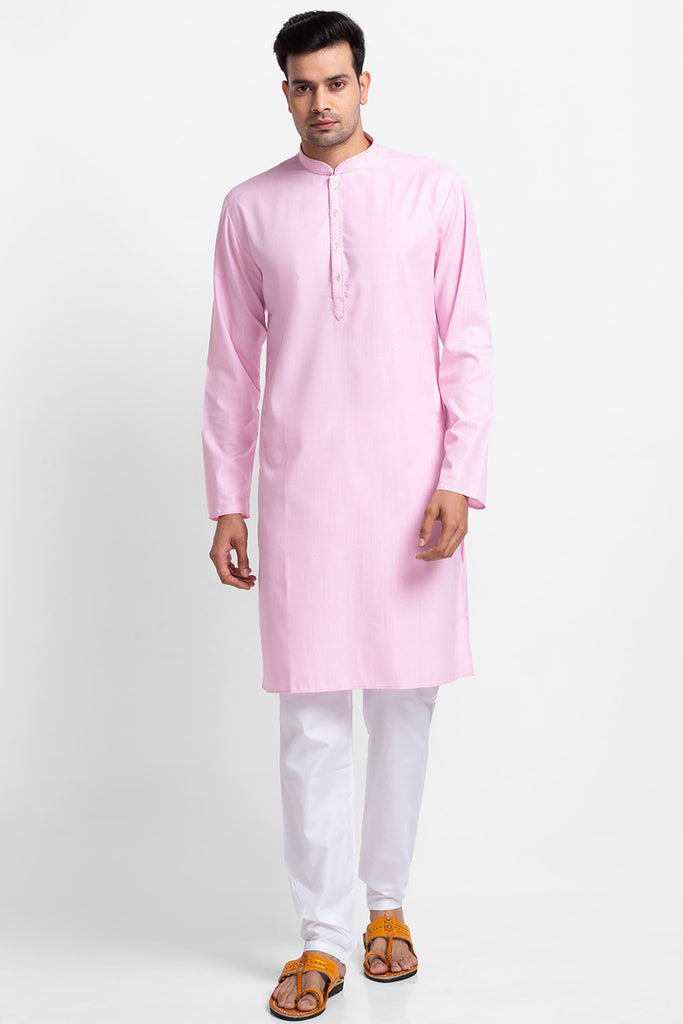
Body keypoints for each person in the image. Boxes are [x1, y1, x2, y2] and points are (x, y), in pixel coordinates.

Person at [201, 10, 493, 1020]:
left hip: (414, 493)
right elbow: (231, 365)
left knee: (405, 704)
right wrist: (227, 497)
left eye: (335, 82)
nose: (319, 102)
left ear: (364, 84)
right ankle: (321, 938)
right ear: (283, 92)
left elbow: (466, 343)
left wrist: (459, 474)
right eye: (301, 85)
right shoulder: (250, 209)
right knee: (312, 715)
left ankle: (387, 909)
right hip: (302, 493)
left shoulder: (432, 191)